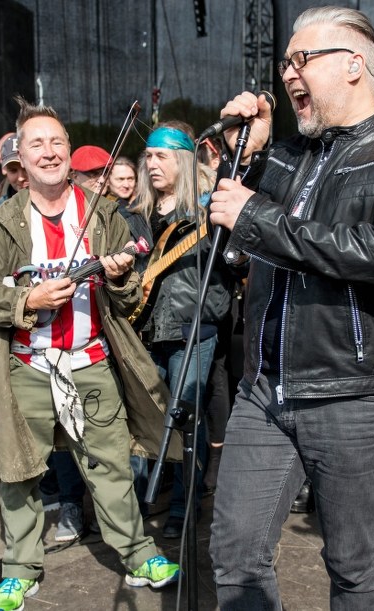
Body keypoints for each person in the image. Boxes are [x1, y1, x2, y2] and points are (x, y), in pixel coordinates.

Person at [206, 6, 374, 609]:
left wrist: (258, 214)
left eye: (301, 59)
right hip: (265, 392)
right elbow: (236, 241)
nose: (288, 74)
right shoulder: (290, 154)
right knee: (235, 556)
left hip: (356, 395)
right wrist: (252, 154)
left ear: (352, 66)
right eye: (285, 61)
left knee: (351, 562)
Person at [0, 97, 179, 611]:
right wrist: (25, 300)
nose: (50, 151)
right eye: (38, 143)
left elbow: (128, 299)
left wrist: (122, 278)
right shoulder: (5, 221)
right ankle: (20, 569)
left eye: (57, 141)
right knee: (20, 470)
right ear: (21, 157)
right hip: (26, 367)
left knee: (110, 465)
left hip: (91, 360)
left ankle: (139, 552)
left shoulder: (104, 214)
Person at [132, 120, 232, 539]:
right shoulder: (133, 214)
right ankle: (138, 505)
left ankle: (183, 507)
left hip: (193, 328)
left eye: (162, 157)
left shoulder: (207, 211)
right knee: (144, 419)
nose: (153, 164)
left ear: (183, 162)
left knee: (186, 416)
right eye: (149, 157)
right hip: (144, 329)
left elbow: (228, 268)